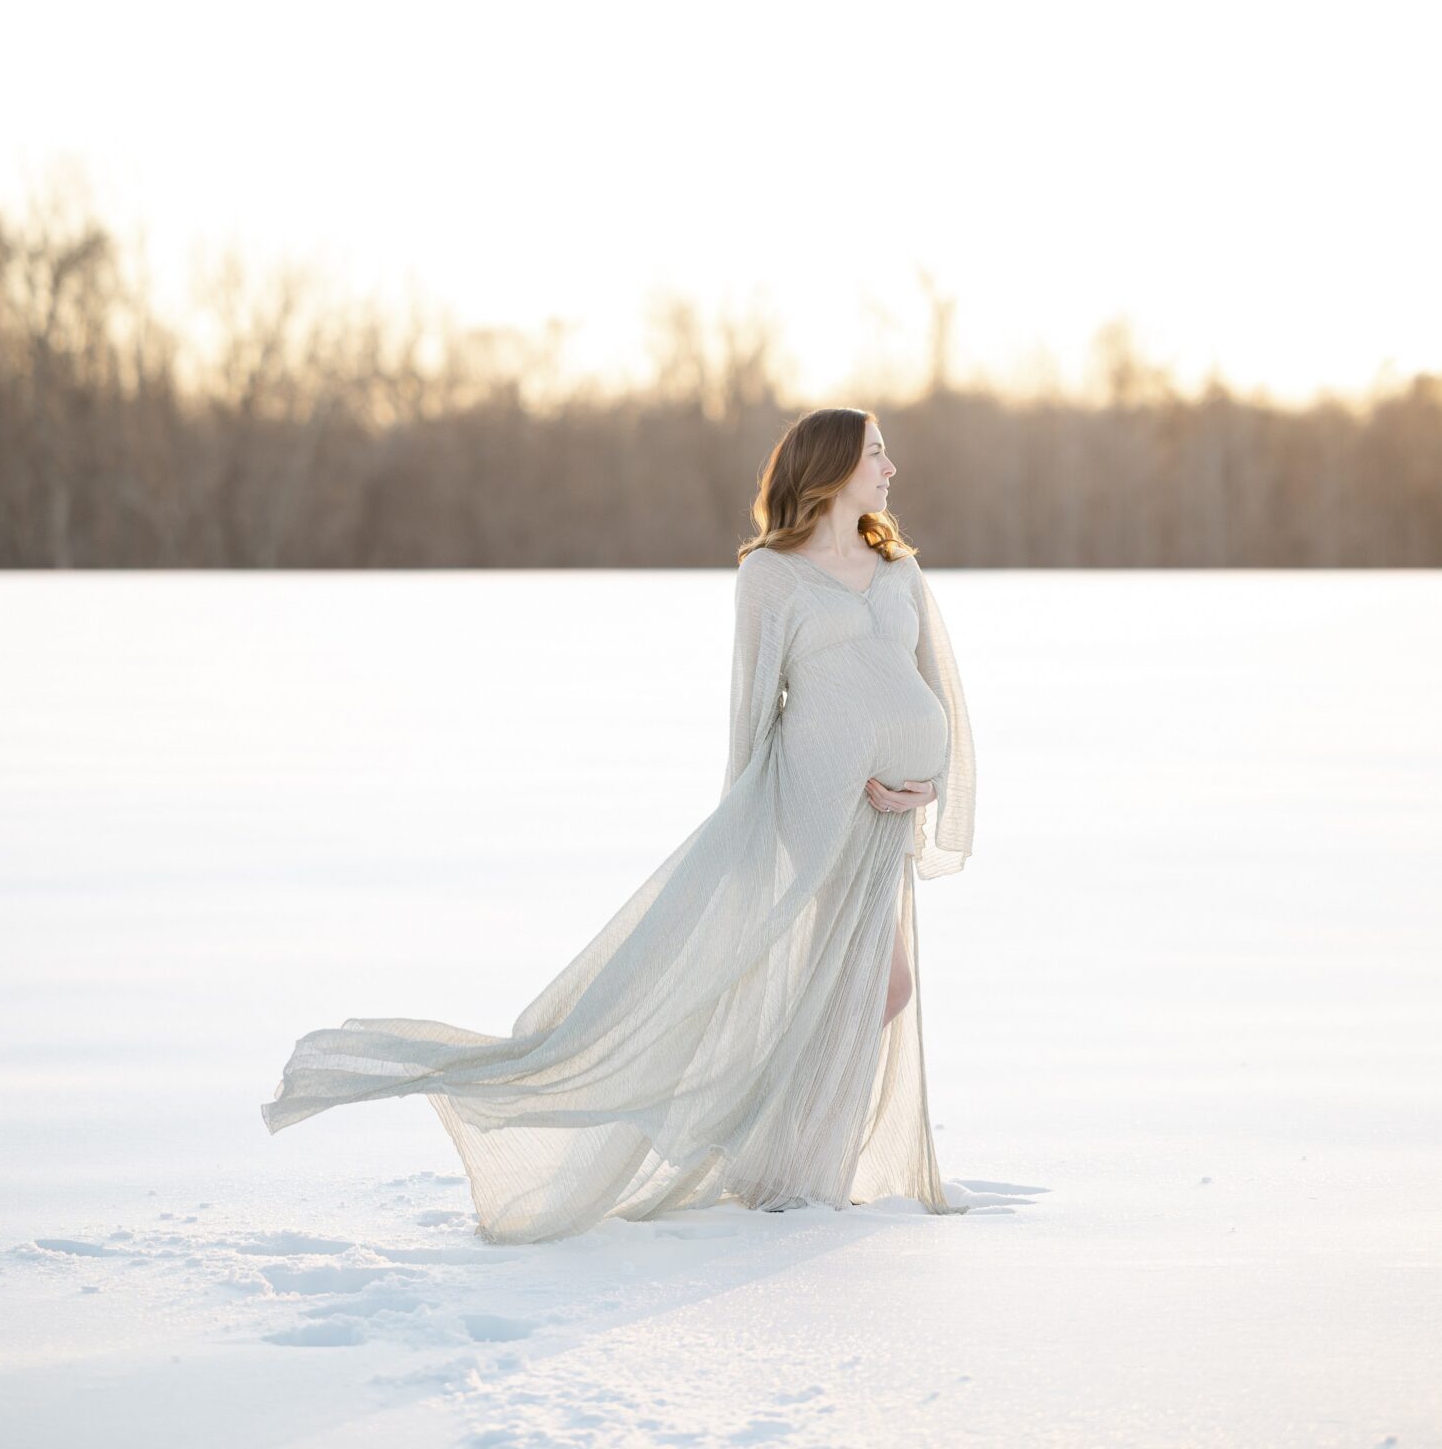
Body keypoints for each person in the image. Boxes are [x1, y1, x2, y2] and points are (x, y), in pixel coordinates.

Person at [261, 406, 976, 1241]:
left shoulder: (897, 567)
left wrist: (927, 784)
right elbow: (750, 714)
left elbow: (933, 685)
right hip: (811, 805)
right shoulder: (771, 578)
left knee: (866, 990)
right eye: (876, 456)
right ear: (829, 469)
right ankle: (786, 1170)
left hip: (884, 815)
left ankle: (788, 1163)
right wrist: (743, 833)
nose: (891, 470)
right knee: (857, 988)